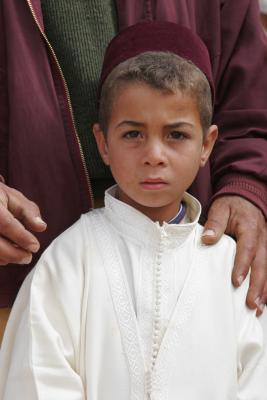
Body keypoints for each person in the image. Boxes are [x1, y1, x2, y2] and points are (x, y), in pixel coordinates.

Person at [0, 21, 266, 399]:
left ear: (207, 145)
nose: (154, 156)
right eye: (133, 134)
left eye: (176, 134)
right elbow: (37, 380)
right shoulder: (67, 263)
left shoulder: (230, 269)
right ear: (103, 143)